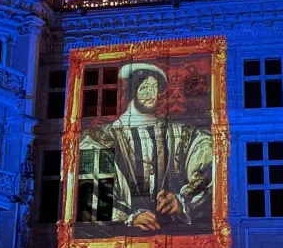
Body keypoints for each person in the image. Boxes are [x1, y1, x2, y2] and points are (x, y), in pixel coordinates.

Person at [79, 63, 213, 235]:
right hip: (121, 238)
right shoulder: (100, 139)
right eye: (144, 88)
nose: (150, 94)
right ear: (132, 91)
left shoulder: (181, 133)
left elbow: (210, 166)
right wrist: (128, 216)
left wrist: (181, 201)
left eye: (154, 88)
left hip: (174, 234)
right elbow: (89, 192)